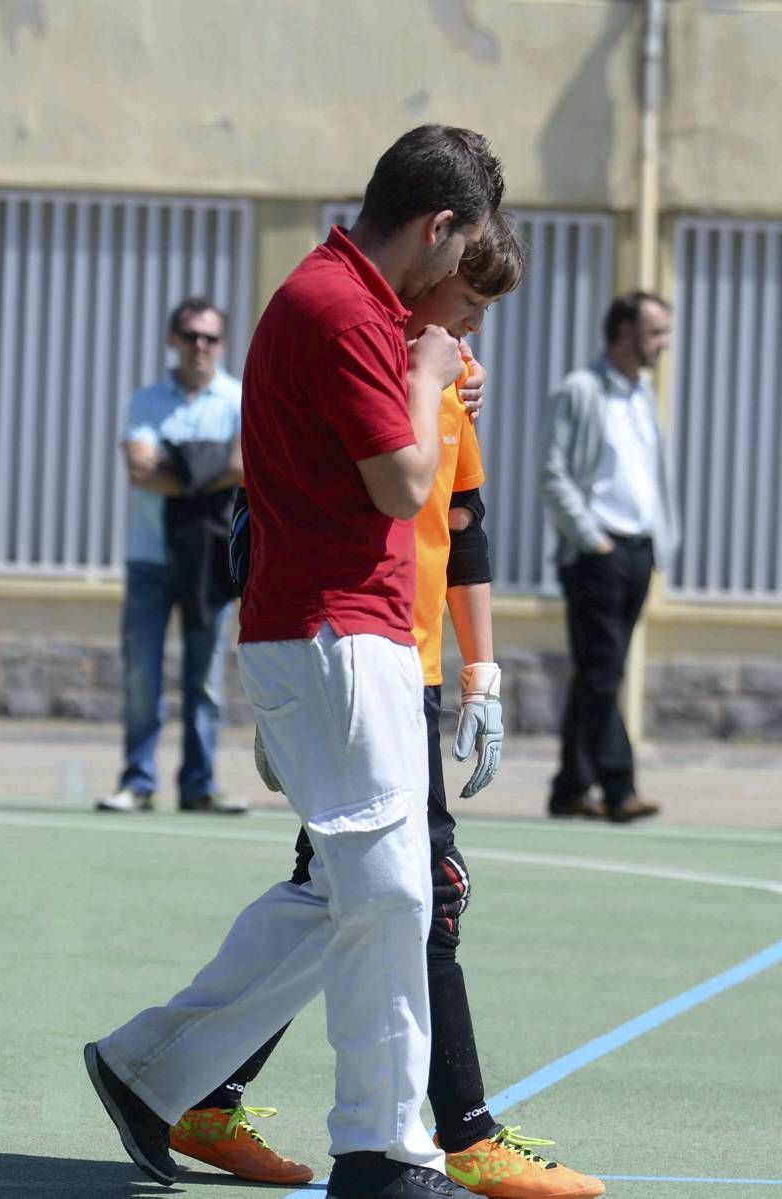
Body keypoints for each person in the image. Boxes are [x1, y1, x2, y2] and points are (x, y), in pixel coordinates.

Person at [84, 124, 505, 1199]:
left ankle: (151, 1067)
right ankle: (382, 1149)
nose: (453, 282)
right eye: (459, 253)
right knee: (392, 893)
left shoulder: (348, 301)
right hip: (333, 631)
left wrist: (424, 369)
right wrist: (425, 368)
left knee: (351, 895)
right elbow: (402, 486)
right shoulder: (342, 307)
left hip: (329, 630)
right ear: (436, 224)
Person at [169, 215, 605, 1199]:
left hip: (407, 667)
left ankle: (201, 1086)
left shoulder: (448, 383)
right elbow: (267, 514)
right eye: (466, 306)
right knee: (418, 892)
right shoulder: (360, 363)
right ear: (422, 280)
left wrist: (482, 669)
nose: (474, 334)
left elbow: (465, 528)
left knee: (346, 895)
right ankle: (460, 1131)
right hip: (349, 662)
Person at [97, 296, 246, 815]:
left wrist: (176, 464)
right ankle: (138, 781)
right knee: (141, 674)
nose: (199, 346)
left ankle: (198, 785)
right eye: (190, 335)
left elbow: (244, 463)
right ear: (173, 339)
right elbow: (140, 468)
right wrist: (211, 464)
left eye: (209, 337)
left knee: (204, 680)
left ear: (221, 343)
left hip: (211, 561)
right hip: (149, 558)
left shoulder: (238, 399)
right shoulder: (146, 401)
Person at [541, 290, 678, 823]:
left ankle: (570, 787)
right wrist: (592, 537)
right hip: (596, 552)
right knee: (602, 673)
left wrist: (659, 542)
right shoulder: (580, 391)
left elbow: (651, 480)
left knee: (598, 671)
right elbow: (552, 473)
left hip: (639, 554)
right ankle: (619, 787)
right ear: (623, 332)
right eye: (655, 333)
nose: (663, 344)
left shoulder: (643, 395)